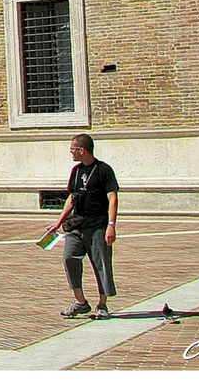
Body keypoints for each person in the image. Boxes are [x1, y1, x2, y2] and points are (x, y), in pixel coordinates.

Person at [43, 133, 119, 319]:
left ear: (82, 150)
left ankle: (102, 305)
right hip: (77, 225)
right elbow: (72, 197)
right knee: (69, 258)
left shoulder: (103, 170)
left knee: (101, 264)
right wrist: (59, 221)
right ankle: (80, 302)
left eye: (73, 150)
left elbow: (113, 198)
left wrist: (111, 225)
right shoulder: (76, 171)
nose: (71, 154)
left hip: (98, 225)